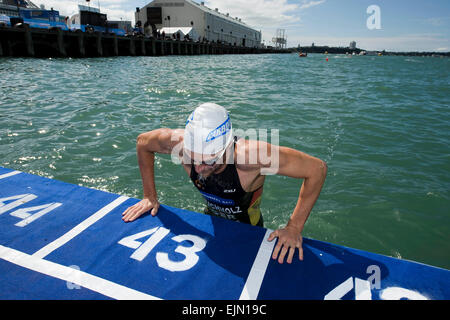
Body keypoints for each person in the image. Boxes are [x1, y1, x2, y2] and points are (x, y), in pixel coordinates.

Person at [121, 103, 327, 264]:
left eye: (209, 161)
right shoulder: (178, 144)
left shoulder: (251, 158)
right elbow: (142, 143)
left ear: (227, 147)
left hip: (250, 228)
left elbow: (316, 169)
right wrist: (149, 196)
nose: (199, 168)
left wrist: (293, 227)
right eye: (193, 158)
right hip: (212, 218)